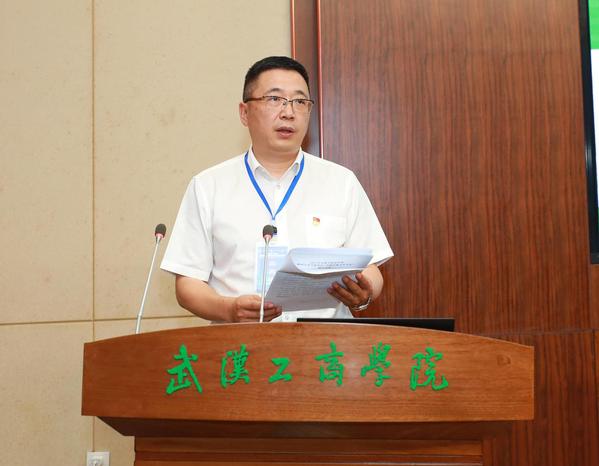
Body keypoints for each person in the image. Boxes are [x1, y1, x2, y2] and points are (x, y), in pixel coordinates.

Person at [160, 56, 393, 323]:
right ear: (244, 113)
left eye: (299, 102)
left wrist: (365, 293)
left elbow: (372, 268)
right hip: (240, 344)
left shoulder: (342, 182)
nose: (288, 112)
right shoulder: (208, 186)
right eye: (274, 99)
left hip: (325, 343)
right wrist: (229, 309)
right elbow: (188, 283)